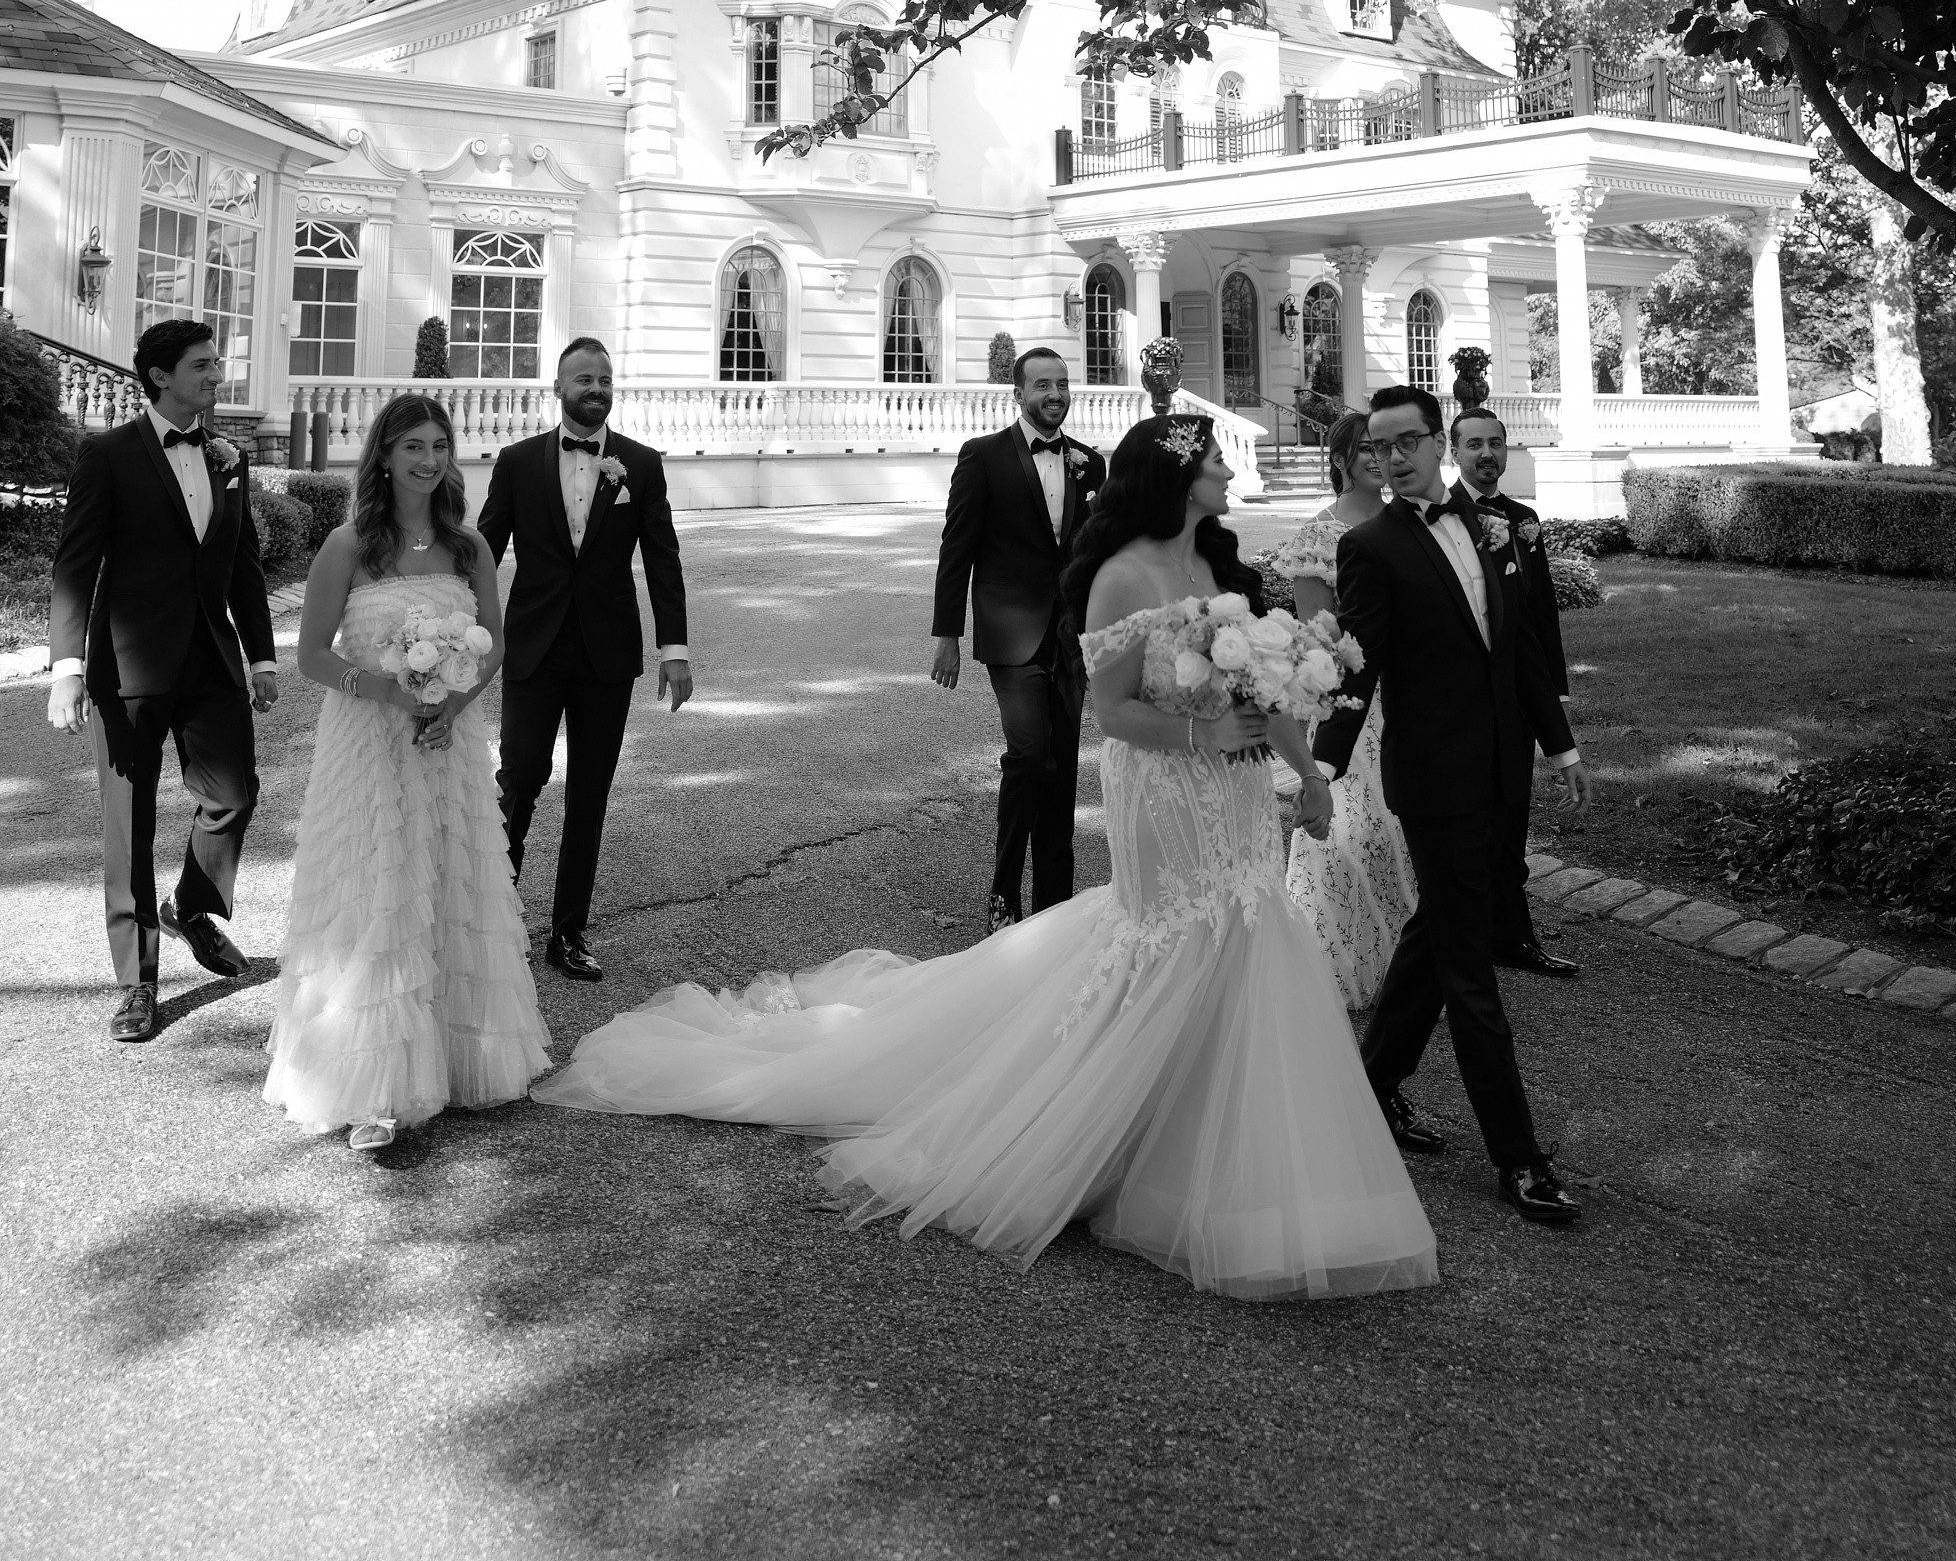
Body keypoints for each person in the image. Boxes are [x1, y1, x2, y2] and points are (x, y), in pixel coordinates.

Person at [534, 412, 1436, 1299]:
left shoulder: (1217, 563)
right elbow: (1115, 713)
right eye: (1214, 461)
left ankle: (1219, 1144)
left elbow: (1263, 686)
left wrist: (1306, 775)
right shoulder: (1123, 575)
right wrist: (1206, 739)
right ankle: (1098, 1133)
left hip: (1234, 794)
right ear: (1174, 475)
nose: (1229, 474)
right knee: (1173, 937)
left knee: (1246, 935)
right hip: (1162, 789)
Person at [1319, 385, 1590, 1231]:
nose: (1393, 458)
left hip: (1502, 769)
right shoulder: (1370, 547)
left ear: (1437, 443)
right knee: (1470, 970)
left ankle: (1370, 1085)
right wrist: (1321, 769)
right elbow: (1359, 670)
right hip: (1435, 782)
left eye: (1407, 442)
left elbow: (1516, 649)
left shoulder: (1495, 527)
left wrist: (1560, 742)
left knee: (1438, 930)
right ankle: (1520, 1157)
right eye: (1378, 447)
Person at [265, 394, 549, 1152]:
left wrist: (453, 707)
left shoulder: (469, 547)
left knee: (448, 881)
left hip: (446, 744)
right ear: (384, 455)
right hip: (366, 746)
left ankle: (455, 1062)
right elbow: (312, 655)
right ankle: (372, 1086)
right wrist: (387, 688)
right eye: (413, 446)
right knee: (377, 890)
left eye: (439, 446)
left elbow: (491, 648)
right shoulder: (348, 545)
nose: (429, 460)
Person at [46, 319, 279, 1046]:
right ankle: (136, 983)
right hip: (129, 667)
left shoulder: (228, 457)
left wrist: (263, 656)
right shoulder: (108, 455)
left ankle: (192, 904)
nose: (216, 376)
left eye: (216, 364)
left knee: (233, 794)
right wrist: (67, 668)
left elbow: (238, 561)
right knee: (129, 825)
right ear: (159, 376)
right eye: (203, 367)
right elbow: (75, 564)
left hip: (212, 660)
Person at [477, 338, 692, 982]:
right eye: (582, 379)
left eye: (604, 379)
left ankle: (568, 933)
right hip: (534, 649)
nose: (595, 389)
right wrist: (447, 623)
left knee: (590, 793)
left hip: (607, 654)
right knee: (518, 779)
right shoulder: (516, 463)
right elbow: (483, 549)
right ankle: (490, 917)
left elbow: (662, 558)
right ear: (559, 387)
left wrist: (674, 647)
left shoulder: (642, 465)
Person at [928, 346, 1104, 934]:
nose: (1055, 394)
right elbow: (958, 549)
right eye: (1042, 385)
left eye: (1062, 384)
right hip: (1011, 632)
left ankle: (1055, 908)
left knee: (1064, 773)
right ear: (1018, 393)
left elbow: (1096, 555)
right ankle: (1004, 896)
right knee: (1029, 756)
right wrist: (947, 633)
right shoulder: (983, 457)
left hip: (1071, 640)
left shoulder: (1089, 464)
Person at [1267, 408, 1416, 1008]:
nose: (1378, 460)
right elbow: (1314, 637)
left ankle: (1405, 970)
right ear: (1341, 460)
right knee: (1348, 831)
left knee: (1405, 830)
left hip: (1412, 696)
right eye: (1365, 451)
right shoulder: (1318, 537)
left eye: (1383, 449)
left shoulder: (1411, 522)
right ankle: (1329, 963)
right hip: (1351, 700)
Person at [1449, 403, 1577, 979]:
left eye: (1495, 443)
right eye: (1473, 444)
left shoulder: (1524, 519)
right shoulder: (1439, 519)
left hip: (1518, 698)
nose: (1486, 454)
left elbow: (1539, 612)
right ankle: (1461, 934)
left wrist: (1553, 691)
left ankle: (1512, 936)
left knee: (1511, 818)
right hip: (1458, 703)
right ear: (1453, 453)